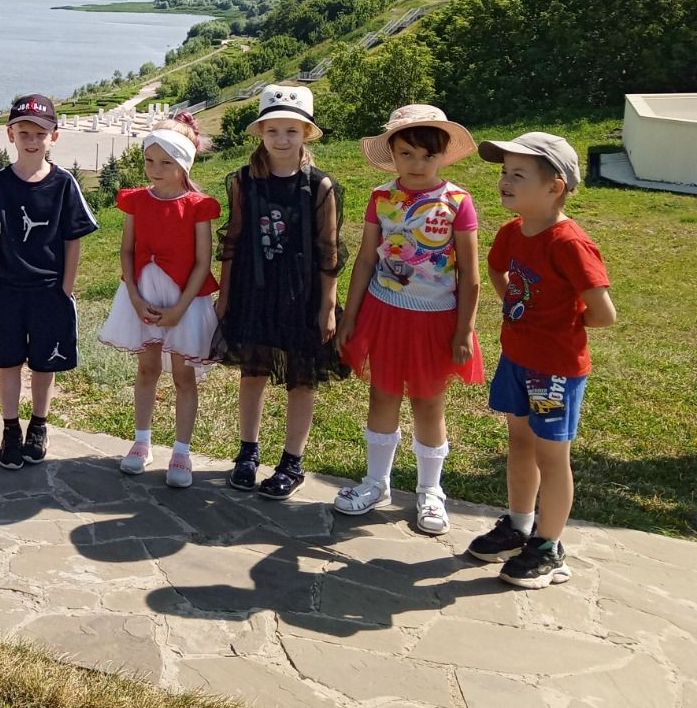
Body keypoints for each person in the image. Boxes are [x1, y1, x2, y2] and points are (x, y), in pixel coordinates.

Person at [467, 133, 614, 589]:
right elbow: (496, 270)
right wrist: (517, 308)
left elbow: (603, 313)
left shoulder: (569, 243)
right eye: (503, 173)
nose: (504, 182)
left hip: (554, 373)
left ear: (555, 186)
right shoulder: (512, 231)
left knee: (552, 458)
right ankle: (519, 526)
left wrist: (558, 329)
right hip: (517, 360)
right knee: (520, 445)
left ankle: (549, 546)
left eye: (517, 175)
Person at [333, 105, 483, 534]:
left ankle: (429, 490)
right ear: (392, 155)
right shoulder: (382, 198)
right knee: (382, 396)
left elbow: (470, 275)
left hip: (436, 320)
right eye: (406, 154)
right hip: (384, 314)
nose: (417, 165)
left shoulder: (457, 202)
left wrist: (464, 329)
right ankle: (375, 482)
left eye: (427, 156)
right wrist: (351, 316)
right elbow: (365, 260)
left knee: (428, 402)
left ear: (442, 157)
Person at [212, 84, 347, 499]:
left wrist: (327, 306)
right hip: (255, 291)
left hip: (301, 295)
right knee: (251, 372)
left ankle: (292, 460)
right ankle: (247, 452)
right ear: (261, 133)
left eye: (292, 130)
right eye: (274, 131)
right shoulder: (243, 181)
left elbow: (330, 251)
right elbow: (232, 241)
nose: (282, 139)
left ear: (305, 133)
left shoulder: (320, 186)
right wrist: (225, 295)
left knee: (300, 379)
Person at [0, 94, 98, 469]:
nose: (32, 139)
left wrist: (66, 287)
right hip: (7, 292)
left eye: (41, 132)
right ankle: (10, 429)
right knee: (7, 363)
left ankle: (39, 425)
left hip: (49, 292)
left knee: (44, 364)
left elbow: (74, 238)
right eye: (24, 131)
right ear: (10, 134)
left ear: (54, 136)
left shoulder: (64, 184)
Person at [96, 115, 219, 486]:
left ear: (184, 165)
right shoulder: (137, 202)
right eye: (150, 161)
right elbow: (127, 251)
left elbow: (203, 261)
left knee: (184, 376)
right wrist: (133, 297)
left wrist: (181, 309)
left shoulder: (197, 206)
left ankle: (181, 452)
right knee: (147, 369)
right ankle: (141, 441)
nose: (155, 170)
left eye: (166, 163)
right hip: (144, 294)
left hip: (184, 300)